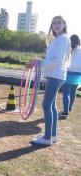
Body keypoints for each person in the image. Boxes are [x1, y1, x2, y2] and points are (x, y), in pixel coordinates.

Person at [26, 16, 71, 146]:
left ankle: (47, 138)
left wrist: (39, 62)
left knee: (46, 105)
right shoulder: (57, 39)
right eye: (54, 23)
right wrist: (38, 62)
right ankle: (52, 135)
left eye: (59, 22)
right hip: (54, 75)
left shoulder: (62, 39)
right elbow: (53, 59)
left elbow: (58, 61)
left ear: (64, 24)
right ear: (52, 25)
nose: (56, 25)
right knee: (51, 106)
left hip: (56, 76)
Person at [59, 34, 81, 119]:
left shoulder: (68, 49)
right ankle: (69, 108)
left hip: (68, 73)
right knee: (73, 92)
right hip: (79, 74)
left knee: (66, 93)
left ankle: (65, 112)